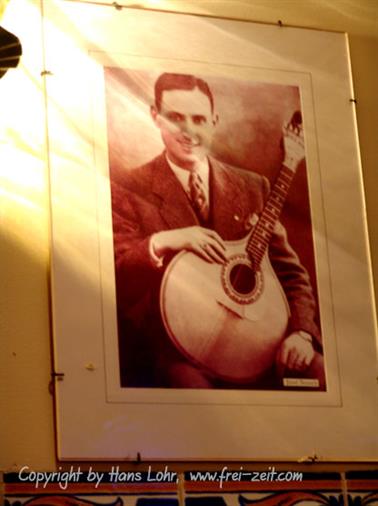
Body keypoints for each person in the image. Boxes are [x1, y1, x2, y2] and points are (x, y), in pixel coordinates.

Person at [111, 72, 325, 389]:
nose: (189, 131)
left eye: (199, 119)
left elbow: (291, 274)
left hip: (261, 344)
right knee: (203, 405)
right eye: (175, 118)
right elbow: (117, 272)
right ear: (155, 117)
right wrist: (166, 240)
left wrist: (302, 332)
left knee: (322, 376)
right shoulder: (128, 187)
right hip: (178, 352)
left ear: (214, 120)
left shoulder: (254, 187)